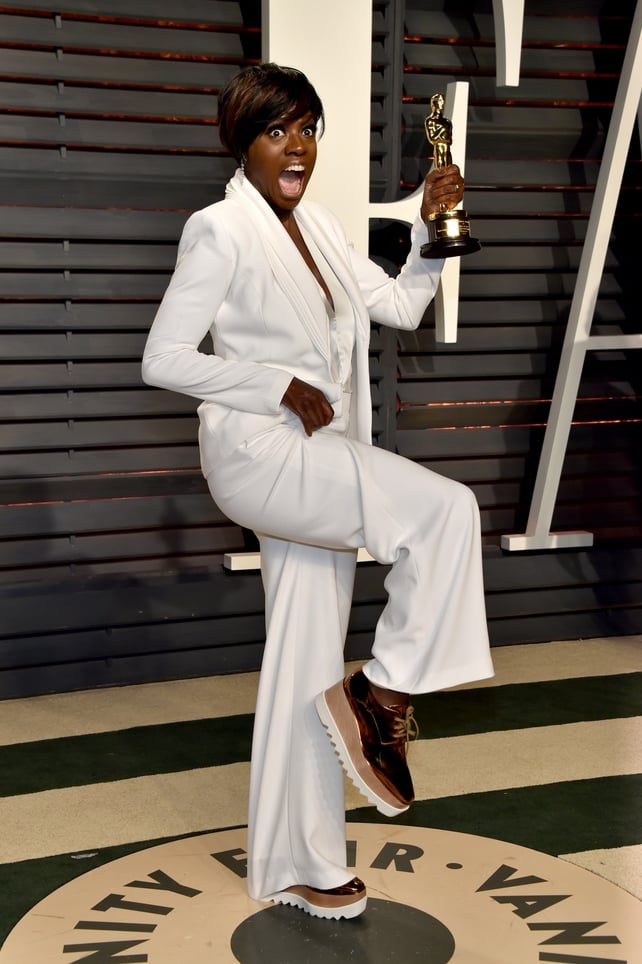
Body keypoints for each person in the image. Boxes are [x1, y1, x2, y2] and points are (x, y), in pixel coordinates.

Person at [142, 62, 493, 921]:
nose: (296, 147)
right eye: (277, 131)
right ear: (244, 144)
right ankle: (383, 697)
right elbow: (162, 358)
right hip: (264, 451)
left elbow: (401, 309)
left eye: (306, 128)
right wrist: (273, 385)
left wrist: (433, 234)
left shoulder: (326, 227)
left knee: (302, 653)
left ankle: (298, 859)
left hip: (318, 455)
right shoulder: (218, 229)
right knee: (447, 510)